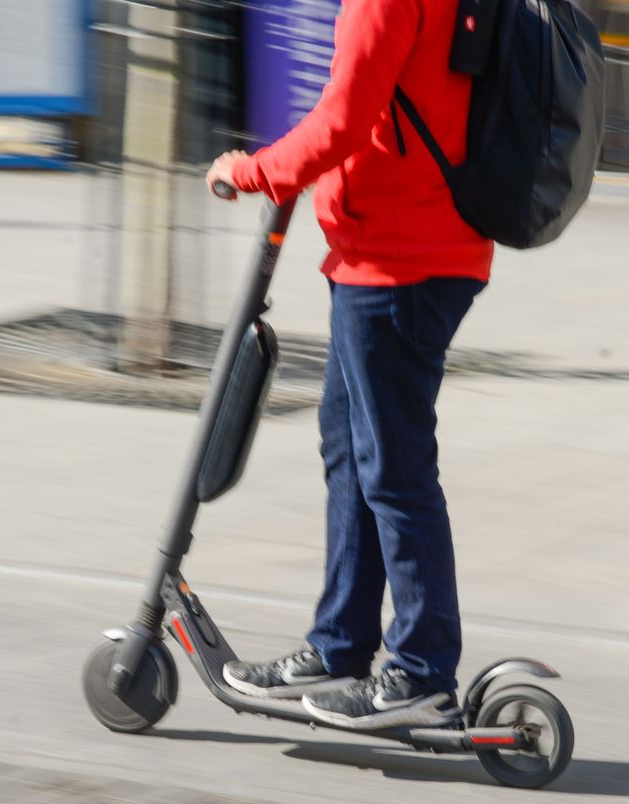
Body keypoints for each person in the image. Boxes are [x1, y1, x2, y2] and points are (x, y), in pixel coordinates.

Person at [206, 0, 493, 730]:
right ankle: (340, 646)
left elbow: (344, 119)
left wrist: (254, 170)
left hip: (399, 261)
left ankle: (423, 671)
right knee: (351, 452)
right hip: (407, 248)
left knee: (394, 467)